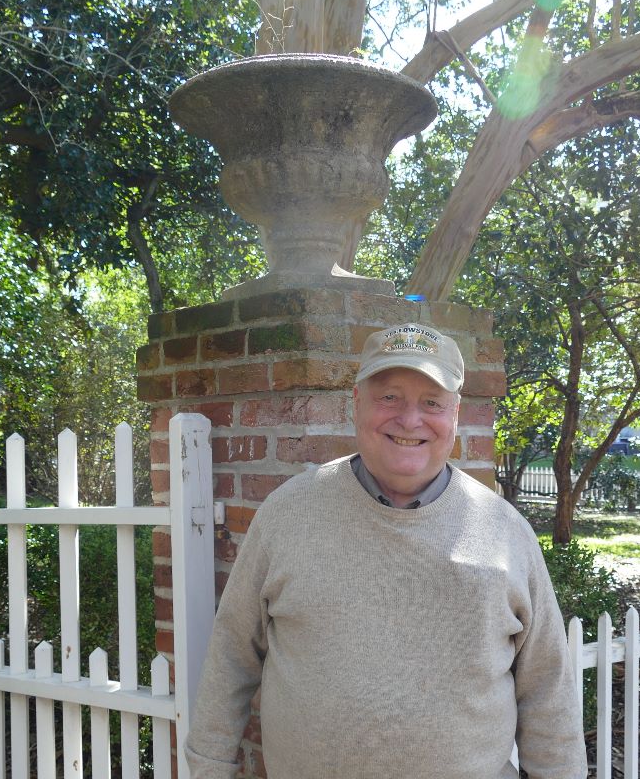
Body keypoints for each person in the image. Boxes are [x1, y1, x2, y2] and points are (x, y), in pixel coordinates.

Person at [186, 323, 587, 778]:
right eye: (389, 397)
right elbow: (231, 657)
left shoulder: (504, 532)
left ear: (455, 414)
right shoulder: (287, 514)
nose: (410, 420)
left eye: (432, 402)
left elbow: (548, 689)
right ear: (356, 403)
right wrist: (208, 769)